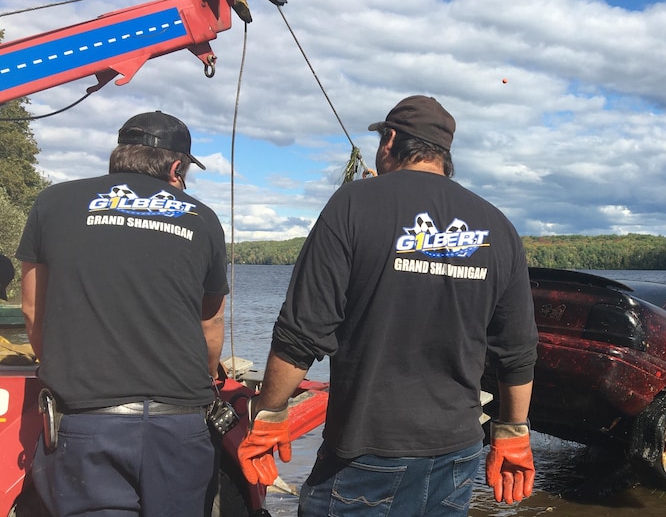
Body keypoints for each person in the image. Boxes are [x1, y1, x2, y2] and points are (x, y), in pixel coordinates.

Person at [237, 95, 539, 515]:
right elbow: (518, 350)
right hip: (457, 452)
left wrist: (269, 415)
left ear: (390, 140)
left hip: (366, 455)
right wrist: (513, 432)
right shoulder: (499, 226)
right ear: (444, 155)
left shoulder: (352, 204)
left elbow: (302, 332)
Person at [16, 110, 229, 516]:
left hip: (87, 421)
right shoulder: (202, 217)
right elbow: (211, 324)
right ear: (175, 166)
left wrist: (67, 367)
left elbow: (32, 309)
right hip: (179, 424)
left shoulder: (54, 202)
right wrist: (202, 380)